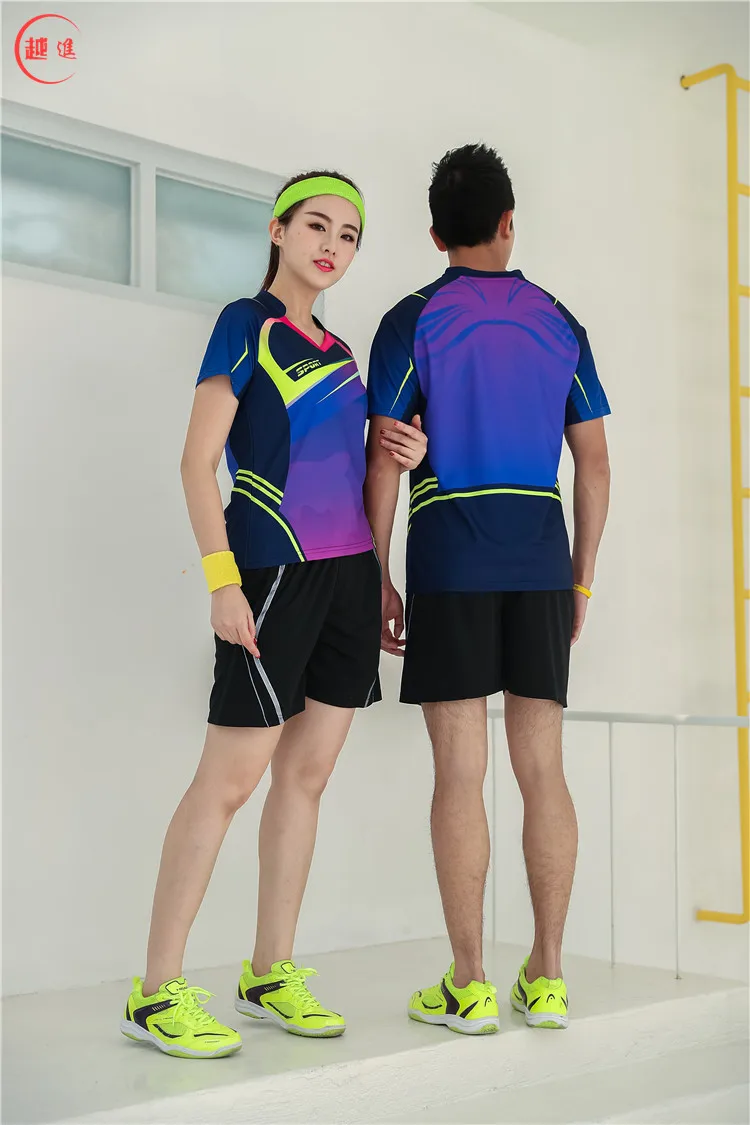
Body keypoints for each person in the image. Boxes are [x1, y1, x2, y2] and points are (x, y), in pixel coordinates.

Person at [121, 171, 427, 1058]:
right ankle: (155, 990)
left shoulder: (342, 351)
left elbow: (344, 462)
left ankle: (268, 971)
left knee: (307, 778)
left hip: (349, 578)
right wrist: (222, 582)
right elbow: (197, 462)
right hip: (271, 574)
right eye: (317, 225)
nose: (333, 245)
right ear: (279, 230)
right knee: (227, 782)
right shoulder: (243, 324)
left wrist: (398, 452)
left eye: (349, 234)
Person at [364, 144, 611, 1035]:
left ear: (436, 235)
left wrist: (377, 574)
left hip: (451, 561)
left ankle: (469, 983)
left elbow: (383, 456)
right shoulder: (560, 321)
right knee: (543, 769)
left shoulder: (411, 319)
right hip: (541, 560)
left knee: (459, 772)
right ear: (510, 222)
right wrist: (581, 578)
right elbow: (595, 464)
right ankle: (547, 976)